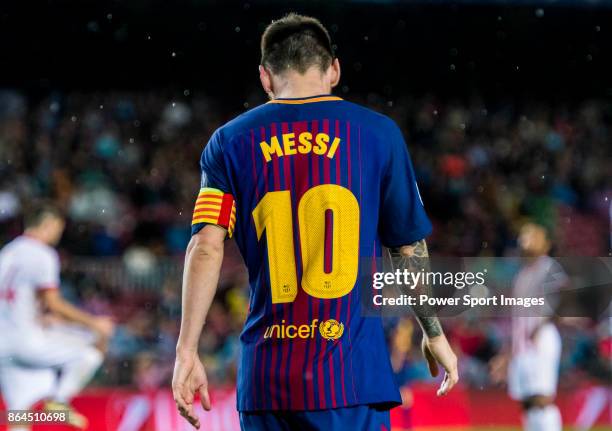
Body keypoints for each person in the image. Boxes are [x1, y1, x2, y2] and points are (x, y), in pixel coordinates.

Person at [172, 13, 458, 431]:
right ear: (334, 69)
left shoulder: (229, 141)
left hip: (268, 379)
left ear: (266, 78)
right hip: (352, 378)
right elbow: (407, 248)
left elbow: (206, 245)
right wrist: (433, 332)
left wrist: (187, 350)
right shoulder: (378, 134)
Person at [0, 202, 115, 430]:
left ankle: (49, 409)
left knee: (19, 418)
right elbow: (53, 303)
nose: (57, 235)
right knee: (94, 345)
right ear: (49, 224)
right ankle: (59, 401)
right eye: (58, 229)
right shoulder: (42, 254)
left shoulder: (7, 252)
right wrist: (94, 323)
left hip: (3, 346)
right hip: (26, 342)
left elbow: (20, 299)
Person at [490, 222, 568, 431]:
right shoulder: (522, 274)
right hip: (522, 343)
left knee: (541, 398)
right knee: (526, 401)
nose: (525, 240)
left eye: (531, 236)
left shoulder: (549, 267)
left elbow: (562, 299)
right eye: (523, 236)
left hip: (539, 339)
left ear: (546, 243)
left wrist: (541, 326)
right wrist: (508, 351)